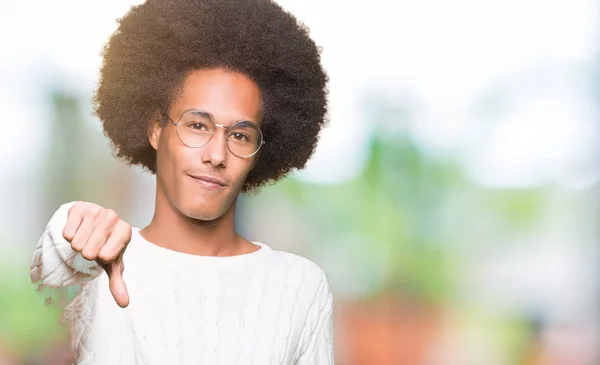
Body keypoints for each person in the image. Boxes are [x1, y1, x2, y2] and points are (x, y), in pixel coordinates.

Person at [29, 0, 333, 363]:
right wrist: (72, 227)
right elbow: (49, 275)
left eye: (240, 135)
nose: (217, 155)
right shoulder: (97, 261)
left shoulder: (299, 286)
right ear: (157, 130)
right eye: (197, 125)